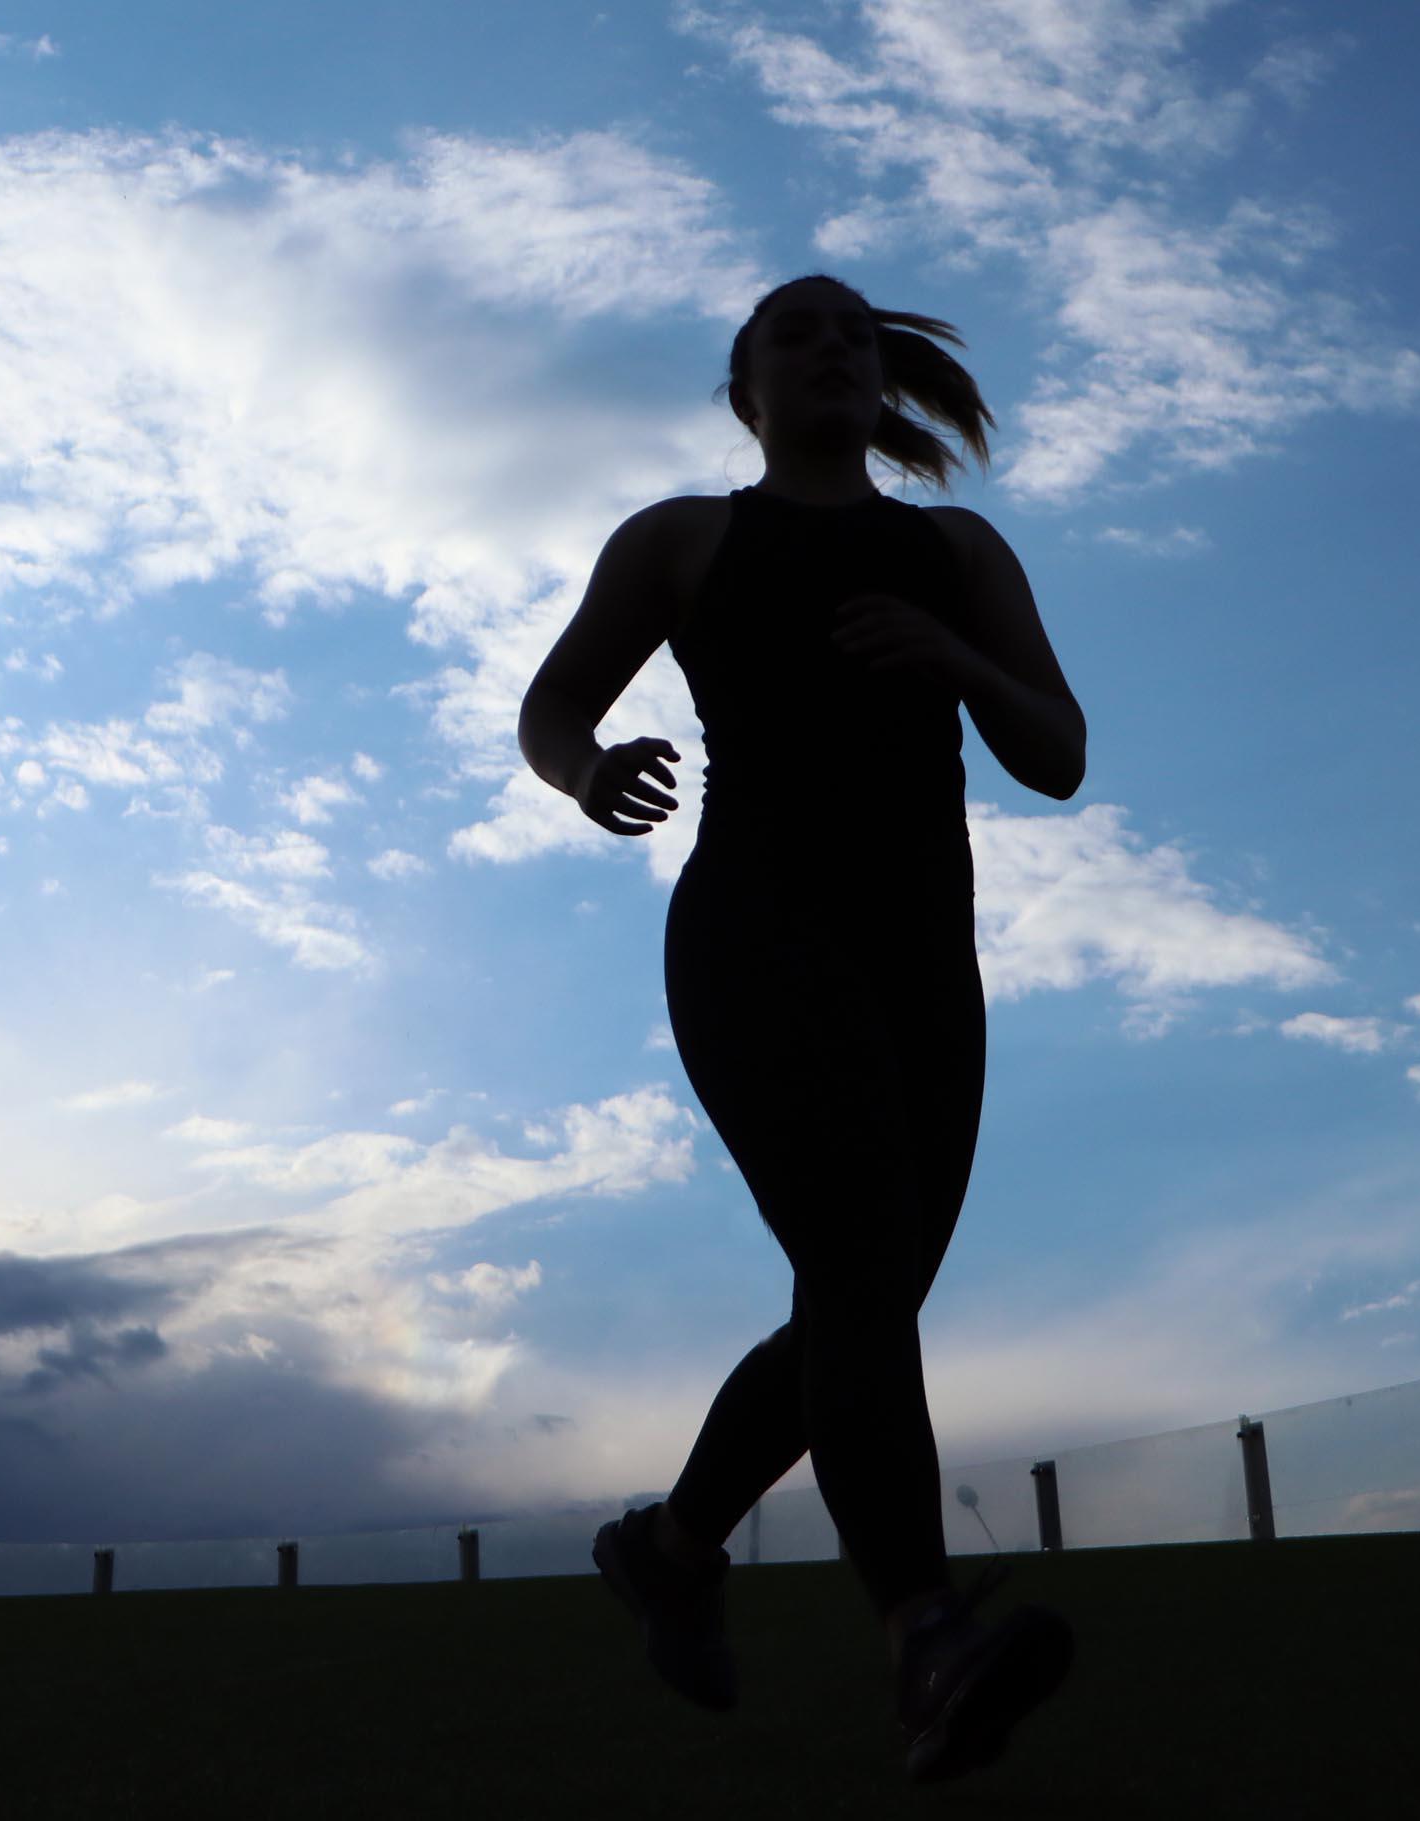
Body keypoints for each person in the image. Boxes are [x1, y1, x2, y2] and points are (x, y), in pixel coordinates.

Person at [516, 274, 1085, 1784]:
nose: (831, 348)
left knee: (866, 1297)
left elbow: (1060, 749)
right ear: (744, 393)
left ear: (880, 384)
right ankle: (925, 1635)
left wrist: (953, 657)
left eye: (853, 334)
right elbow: (553, 702)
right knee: (855, 1272)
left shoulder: (956, 549)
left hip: (924, 964)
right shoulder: (684, 537)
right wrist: (585, 772)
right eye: (795, 334)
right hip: (754, 936)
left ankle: (673, 1541)